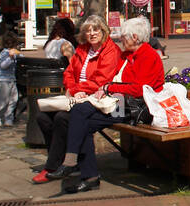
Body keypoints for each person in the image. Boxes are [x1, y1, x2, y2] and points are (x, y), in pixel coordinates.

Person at [45, 17, 165, 194]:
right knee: (81, 118)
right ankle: (86, 174)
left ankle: (75, 165)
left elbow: (140, 89)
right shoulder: (125, 55)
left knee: (80, 117)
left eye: (123, 36)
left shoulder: (148, 56)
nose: (121, 40)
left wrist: (108, 88)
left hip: (134, 108)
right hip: (117, 103)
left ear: (134, 37)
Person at [33, 15, 124, 186]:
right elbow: (68, 72)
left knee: (62, 118)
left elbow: (101, 79)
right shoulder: (83, 49)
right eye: (88, 30)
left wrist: (78, 90)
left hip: (98, 98)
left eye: (95, 29)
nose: (91, 33)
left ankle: (53, 167)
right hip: (78, 96)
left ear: (103, 30)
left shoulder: (110, 50)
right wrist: (74, 89)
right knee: (43, 117)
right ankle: (60, 161)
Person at [0, 29, 23, 127]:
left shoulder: (13, 53)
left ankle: (8, 117)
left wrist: (17, 54)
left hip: (12, 80)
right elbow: (3, 65)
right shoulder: (4, 53)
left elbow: (21, 56)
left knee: (14, 99)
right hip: (3, 81)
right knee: (3, 101)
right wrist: (10, 57)